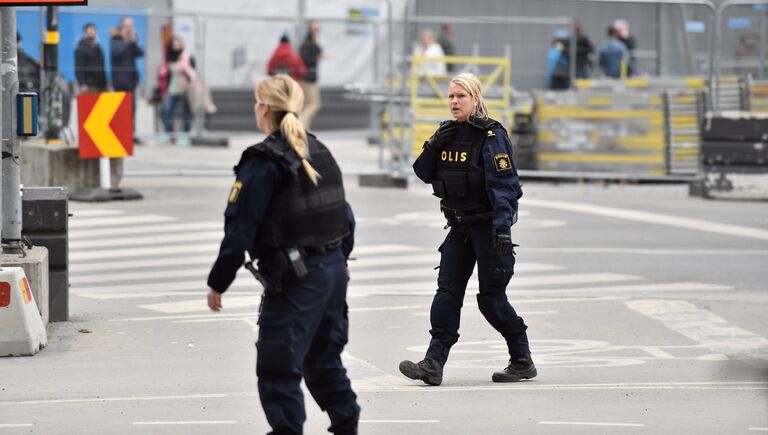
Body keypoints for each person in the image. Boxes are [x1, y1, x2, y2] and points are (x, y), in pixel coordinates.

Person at [206, 74, 360, 435]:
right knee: (322, 360)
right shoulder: (320, 150)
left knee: (278, 367)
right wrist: (338, 261)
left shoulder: (263, 163)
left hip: (298, 280)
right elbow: (345, 215)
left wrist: (217, 283)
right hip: (333, 272)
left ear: (264, 109)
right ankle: (347, 425)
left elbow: (239, 231)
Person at [399, 73, 534, 386]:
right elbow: (421, 171)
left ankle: (522, 359)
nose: (454, 102)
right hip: (459, 226)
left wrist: (502, 231)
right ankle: (433, 362)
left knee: (491, 300)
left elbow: (504, 187)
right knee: (446, 293)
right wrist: (433, 144)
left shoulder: (491, 136)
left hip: (488, 228)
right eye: (450, 97)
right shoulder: (446, 133)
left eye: (461, 96)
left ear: (475, 99)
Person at [110, 16, 144, 142]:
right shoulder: (115, 39)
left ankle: (132, 135)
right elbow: (116, 54)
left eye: (131, 26)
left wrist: (134, 41)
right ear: (121, 26)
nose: (129, 29)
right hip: (119, 81)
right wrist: (126, 41)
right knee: (120, 109)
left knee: (132, 109)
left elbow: (140, 53)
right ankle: (120, 135)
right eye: (126, 26)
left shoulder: (132, 41)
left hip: (131, 81)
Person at [162, 35, 196, 142]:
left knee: (185, 113)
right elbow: (167, 73)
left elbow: (192, 71)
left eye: (178, 44)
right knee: (167, 111)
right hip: (172, 88)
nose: (176, 46)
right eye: (174, 44)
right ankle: (169, 134)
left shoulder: (187, 56)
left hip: (184, 88)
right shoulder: (170, 57)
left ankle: (186, 135)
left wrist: (183, 66)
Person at [299, 20, 323, 129]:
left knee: (308, 103)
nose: (317, 31)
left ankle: (304, 128)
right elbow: (319, 54)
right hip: (309, 77)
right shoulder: (310, 42)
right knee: (315, 103)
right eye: (315, 28)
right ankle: (301, 122)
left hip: (306, 76)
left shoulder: (308, 42)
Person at [74, 23, 107, 94]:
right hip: (88, 85)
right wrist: (82, 83)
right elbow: (78, 67)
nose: (91, 33)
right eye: (89, 31)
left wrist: (105, 84)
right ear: (85, 33)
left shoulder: (99, 48)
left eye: (93, 31)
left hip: (101, 84)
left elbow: (102, 67)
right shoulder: (80, 48)